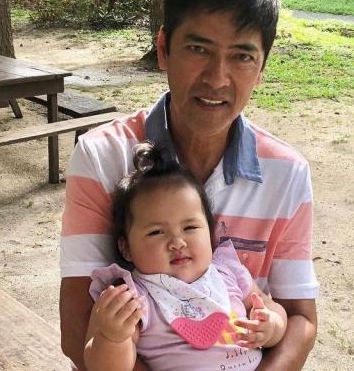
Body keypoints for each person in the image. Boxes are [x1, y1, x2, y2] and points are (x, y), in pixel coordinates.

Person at [60, 0, 319, 371]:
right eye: (198, 48)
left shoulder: (286, 174)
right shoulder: (101, 156)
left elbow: (300, 318)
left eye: (242, 56)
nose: (217, 78)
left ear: (262, 68)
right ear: (163, 49)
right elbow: (77, 328)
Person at [84, 142, 287, 371]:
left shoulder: (228, 272)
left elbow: (269, 305)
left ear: (210, 233)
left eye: (190, 228)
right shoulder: (132, 298)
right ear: (126, 248)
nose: (178, 242)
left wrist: (271, 325)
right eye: (156, 232)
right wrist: (112, 338)